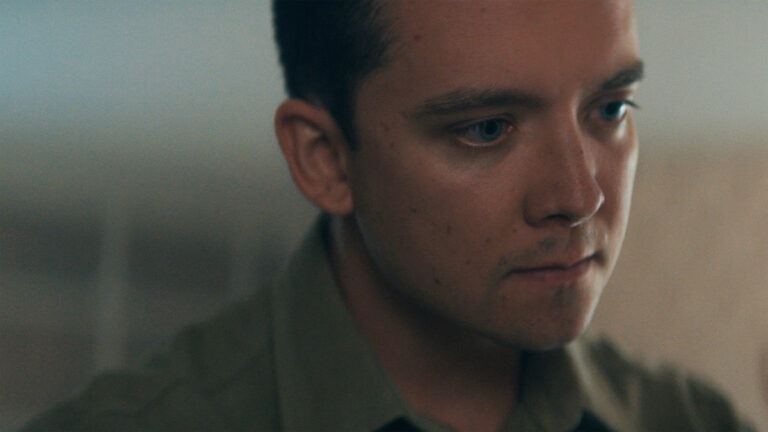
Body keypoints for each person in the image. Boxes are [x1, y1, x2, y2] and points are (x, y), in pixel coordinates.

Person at [24, 1, 754, 431]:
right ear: (325, 160)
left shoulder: (691, 420)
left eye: (611, 109)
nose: (580, 194)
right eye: (487, 129)